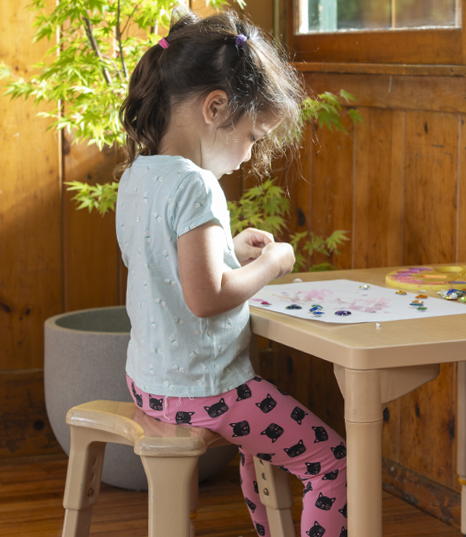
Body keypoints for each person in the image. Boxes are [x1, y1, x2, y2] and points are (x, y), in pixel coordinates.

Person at [116, 9, 347, 537]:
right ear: (215, 108)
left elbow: (164, 270)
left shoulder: (139, 174)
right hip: (207, 392)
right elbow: (206, 298)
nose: (251, 152)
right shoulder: (196, 185)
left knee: (261, 445)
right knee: (334, 465)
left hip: (149, 383)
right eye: (251, 134)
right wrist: (271, 263)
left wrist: (227, 249)